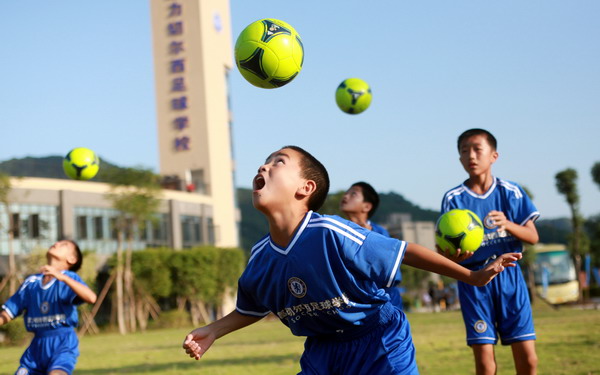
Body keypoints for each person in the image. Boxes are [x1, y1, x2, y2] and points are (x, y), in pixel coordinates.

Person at [183, 145, 522, 374]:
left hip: (377, 340)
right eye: (265, 162)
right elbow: (252, 307)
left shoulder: (331, 231)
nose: (264, 166)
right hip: (321, 351)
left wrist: (471, 275)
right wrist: (212, 330)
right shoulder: (260, 258)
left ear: (306, 188)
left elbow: (404, 251)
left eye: (278, 162)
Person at [439, 129, 540, 375]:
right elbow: (444, 250)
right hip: (475, 281)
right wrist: (456, 257)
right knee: (485, 363)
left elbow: (533, 237)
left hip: (510, 279)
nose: (470, 156)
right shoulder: (453, 199)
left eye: (477, 149)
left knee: (528, 359)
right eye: (464, 151)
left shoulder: (511, 191)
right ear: (460, 159)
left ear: (493, 155)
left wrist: (508, 224)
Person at [0, 240, 97, 375]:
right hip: (36, 346)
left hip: (63, 342)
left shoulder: (68, 278)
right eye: (57, 242)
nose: (56, 243)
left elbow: (91, 297)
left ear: (72, 259)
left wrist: (61, 277)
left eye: (63, 245)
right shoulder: (31, 282)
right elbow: (8, 313)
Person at [340, 181, 403, 309]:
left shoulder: (379, 233)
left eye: (353, 194)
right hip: (352, 304)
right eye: (346, 193)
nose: (345, 197)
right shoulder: (337, 232)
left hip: (385, 301)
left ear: (367, 207)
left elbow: (390, 274)